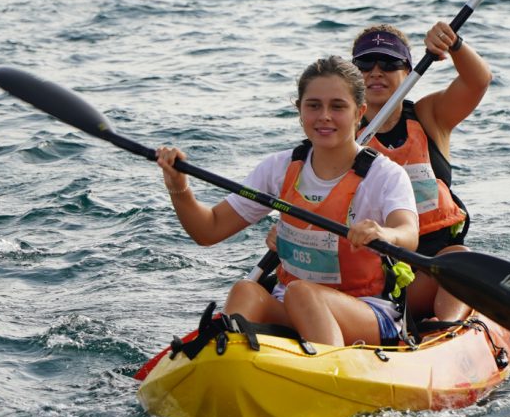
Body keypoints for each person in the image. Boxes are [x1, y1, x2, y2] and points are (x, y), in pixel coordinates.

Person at [156, 57, 419, 347]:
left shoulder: (385, 175)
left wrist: (384, 234)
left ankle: (328, 366)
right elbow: (209, 230)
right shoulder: (279, 167)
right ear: (300, 111)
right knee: (246, 290)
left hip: (365, 310)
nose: (324, 116)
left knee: (301, 293)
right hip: (290, 302)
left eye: (338, 106)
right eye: (314, 106)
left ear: (360, 112)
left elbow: (408, 234)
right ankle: (228, 357)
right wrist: (178, 186)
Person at [346, 23, 489, 322]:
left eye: (389, 63)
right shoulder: (341, 134)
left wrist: (454, 44)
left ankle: (447, 326)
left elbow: (477, 81)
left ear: (409, 71)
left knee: (459, 257)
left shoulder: (430, 116)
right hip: (373, 278)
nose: (376, 72)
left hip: (431, 270)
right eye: (365, 64)